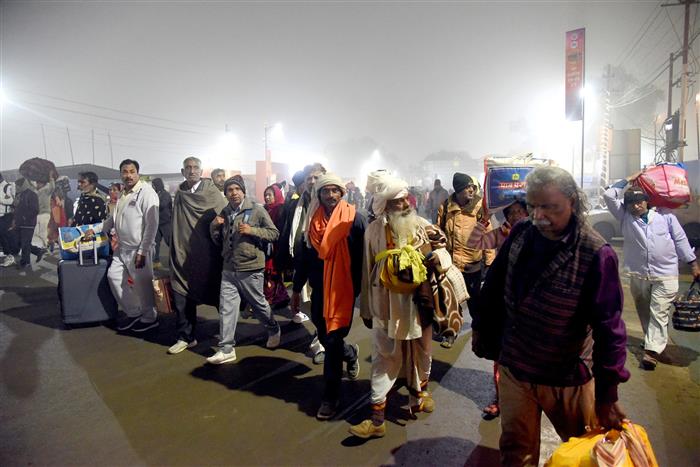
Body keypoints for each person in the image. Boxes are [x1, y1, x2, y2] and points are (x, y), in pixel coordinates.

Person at [473, 166, 630, 467]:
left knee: (583, 453)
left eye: (550, 207)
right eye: (533, 206)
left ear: (573, 202)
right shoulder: (521, 233)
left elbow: (610, 330)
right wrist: (483, 329)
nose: (539, 216)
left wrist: (607, 395)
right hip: (517, 370)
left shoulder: (597, 253)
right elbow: (494, 286)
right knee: (516, 452)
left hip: (568, 378)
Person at [349, 174, 443, 439]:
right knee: (384, 357)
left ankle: (421, 394)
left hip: (417, 304)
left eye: (405, 201)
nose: (404, 205)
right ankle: (377, 418)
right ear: (385, 206)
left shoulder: (422, 225)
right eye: (397, 202)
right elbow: (367, 271)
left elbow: (443, 248)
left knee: (422, 350)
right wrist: (366, 308)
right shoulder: (373, 231)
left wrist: (437, 257)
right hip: (385, 304)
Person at [291, 172, 365, 420]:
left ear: (342, 193)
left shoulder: (354, 219)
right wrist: (295, 288)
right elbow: (303, 257)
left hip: (343, 291)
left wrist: (362, 291)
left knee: (331, 343)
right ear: (319, 194)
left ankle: (330, 398)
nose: (330, 195)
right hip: (319, 289)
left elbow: (364, 258)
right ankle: (351, 353)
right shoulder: (311, 220)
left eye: (335, 190)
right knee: (324, 335)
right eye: (325, 191)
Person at [604, 177, 700, 370]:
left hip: (665, 273)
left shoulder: (666, 217)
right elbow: (608, 195)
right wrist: (627, 180)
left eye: (639, 201)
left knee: (659, 311)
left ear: (647, 201)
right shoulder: (625, 216)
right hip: (638, 274)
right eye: (631, 202)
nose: (636, 206)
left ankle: (651, 352)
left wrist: (693, 263)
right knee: (644, 310)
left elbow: (680, 240)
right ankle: (652, 342)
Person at [207, 176, 282, 364]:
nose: (233, 193)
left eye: (236, 189)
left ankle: (273, 328)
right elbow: (218, 239)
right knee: (226, 308)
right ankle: (226, 348)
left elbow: (274, 233)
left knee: (259, 305)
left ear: (243, 191)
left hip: (251, 267)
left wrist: (252, 231)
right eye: (229, 190)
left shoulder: (256, 210)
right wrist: (214, 226)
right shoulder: (224, 212)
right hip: (229, 268)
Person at [466, 198, 529, 420]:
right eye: (511, 212)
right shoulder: (501, 234)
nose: (515, 216)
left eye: (520, 211)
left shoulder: (538, 235)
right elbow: (474, 243)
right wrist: (484, 220)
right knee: (500, 354)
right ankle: (500, 398)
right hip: (503, 301)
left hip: (528, 305)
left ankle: (525, 401)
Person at [168, 156, 228, 355]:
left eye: (195, 168)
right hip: (183, 250)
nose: (192, 171)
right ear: (182, 171)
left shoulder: (211, 192)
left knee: (218, 292)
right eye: (188, 168)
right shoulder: (181, 193)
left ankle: (227, 335)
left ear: (201, 171)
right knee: (181, 294)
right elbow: (176, 222)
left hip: (208, 253)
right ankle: (186, 336)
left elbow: (226, 216)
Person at [436, 173, 495, 347]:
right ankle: (451, 333)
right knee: (451, 302)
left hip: (473, 266)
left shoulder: (479, 208)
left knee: (476, 303)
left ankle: (480, 332)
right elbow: (438, 234)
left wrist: (490, 262)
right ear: (459, 190)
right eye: (467, 187)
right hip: (452, 266)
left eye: (472, 187)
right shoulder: (446, 207)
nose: (471, 189)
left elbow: (488, 235)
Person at [102, 159, 160, 333]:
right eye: (124, 172)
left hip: (139, 249)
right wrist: (95, 230)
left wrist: (143, 250)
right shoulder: (123, 193)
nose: (128, 175)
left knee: (143, 286)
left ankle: (150, 317)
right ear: (120, 174)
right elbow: (113, 219)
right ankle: (134, 312)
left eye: (131, 171)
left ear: (138, 173)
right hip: (122, 248)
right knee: (113, 276)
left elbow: (152, 225)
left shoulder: (146, 193)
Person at [278, 164, 327, 357]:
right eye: (309, 178)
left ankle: (323, 344)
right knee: (308, 305)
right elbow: (288, 232)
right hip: (301, 262)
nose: (312, 181)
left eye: (316, 177)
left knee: (322, 307)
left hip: (324, 267)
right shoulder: (294, 205)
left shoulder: (331, 205)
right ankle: (322, 336)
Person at [262, 183, 290, 309]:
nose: (267, 198)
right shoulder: (264, 209)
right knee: (269, 273)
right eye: (265, 195)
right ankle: (279, 297)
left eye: (270, 195)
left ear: (276, 195)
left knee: (271, 273)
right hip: (265, 246)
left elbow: (283, 229)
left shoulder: (281, 209)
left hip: (276, 247)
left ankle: (271, 299)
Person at [12, 178, 42, 268]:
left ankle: (25, 262)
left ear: (22, 185)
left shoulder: (32, 195)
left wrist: (25, 217)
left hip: (28, 224)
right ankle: (37, 251)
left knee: (25, 243)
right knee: (20, 242)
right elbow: (17, 209)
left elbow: (35, 210)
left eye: (17, 186)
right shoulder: (19, 195)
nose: (16, 187)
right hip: (19, 223)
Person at [151, 178, 172, 267]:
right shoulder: (156, 194)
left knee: (170, 242)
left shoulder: (165, 194)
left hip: (166, 222)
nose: (152, 186)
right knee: (155, 243)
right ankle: (156, 262)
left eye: (153, 185)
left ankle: (176, 260)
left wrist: (153, 203)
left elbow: (162, 205)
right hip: (157, 223)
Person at [0, 172, 18, 267]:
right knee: (3, 236)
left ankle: (10, 256)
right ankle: (9, 255)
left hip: (6, 216)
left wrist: (1, 199)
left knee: (4, 235)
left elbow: (11, 200)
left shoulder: (7, 186)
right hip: (1, 216)